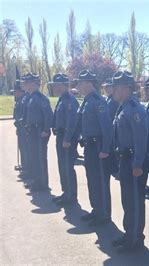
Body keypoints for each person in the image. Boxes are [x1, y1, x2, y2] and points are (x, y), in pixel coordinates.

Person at [110, 70, 148, 253]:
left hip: (133, 161)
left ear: (125, 89)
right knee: (127, 200)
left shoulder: (134, 109)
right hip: (125, 159)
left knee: (135, 201)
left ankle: (136, 238)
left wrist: (137, 164)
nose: (112, 91)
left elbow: (141, 139)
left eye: (115, 87)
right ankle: (129, 233)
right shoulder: (123, 107)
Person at [76, 69, 113, 226]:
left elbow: (107, 127)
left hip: (98, 146)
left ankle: (103, 214)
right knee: (92, 180)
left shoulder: (98, 101)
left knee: (100, 182)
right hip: (89, 146)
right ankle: (96, 210)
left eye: (81, 83)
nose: (79, 86)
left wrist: (105, 149)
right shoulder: (86, 101)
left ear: (89, 83)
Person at [50, 73, 79, 205]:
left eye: (56, 85)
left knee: (67, 166)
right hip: (61, 136)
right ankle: (66, 192)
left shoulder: (70, 100)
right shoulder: (62, 99)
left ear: (63, 85)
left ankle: (71, 195)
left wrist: (67, 138)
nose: (54, 88)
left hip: (67, 137)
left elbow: (72, 121)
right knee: (62, 166)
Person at [21, 73, 53, 191]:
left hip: (39, 130)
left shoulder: (41, 98)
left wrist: (45, 130)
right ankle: (36, 181)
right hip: (33, 130)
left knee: (40, 158)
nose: (25, 85)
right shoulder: (30, 97)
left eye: (27, 82)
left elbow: (48, 115)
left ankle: (43, 184)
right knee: (34, 157)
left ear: (33, 83)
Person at [12, 84, 27, 176]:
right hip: (20, 128)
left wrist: (20, 124)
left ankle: (26, 167)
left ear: (22, 92)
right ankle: (24, 165)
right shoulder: (18, 101)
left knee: (25, 149)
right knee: (22, 148)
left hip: (24, 129)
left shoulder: (23, 102)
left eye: (17, 92)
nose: (15, 94)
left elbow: (24, 116)